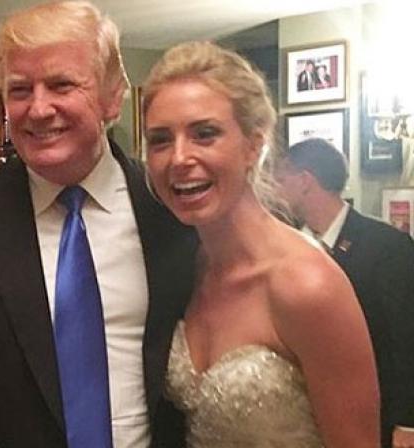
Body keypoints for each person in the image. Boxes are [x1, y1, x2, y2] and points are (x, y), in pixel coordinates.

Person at [0, 1, 197, 447]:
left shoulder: (171, 213)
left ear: (113, 96)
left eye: (61, 85)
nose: (39, 109)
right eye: (20, 90)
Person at [142, 41, 380, 447]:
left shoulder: (306, 285)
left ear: (253, 144)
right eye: (161, 140)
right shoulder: (188, 267)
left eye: (205, 133)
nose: (179, 157)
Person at [276, 137, 414, 448]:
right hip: (304, 419)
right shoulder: (286, 248)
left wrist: (408, 420)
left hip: (375, 415)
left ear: (304, 181)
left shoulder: (386, 246)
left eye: (281, 179)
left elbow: (406, 337)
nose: (275, 189)